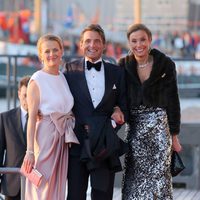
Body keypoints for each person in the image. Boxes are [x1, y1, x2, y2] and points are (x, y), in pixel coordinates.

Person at [118, 23, 182, 200]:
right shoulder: (123, 65)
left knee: (159, 180)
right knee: (134, 180)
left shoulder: (165, 64)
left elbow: (173, 101)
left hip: (160, 131)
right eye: (134, 41)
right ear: (129, 44)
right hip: (135, 130)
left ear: (150, 40)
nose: (139, 45)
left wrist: (174, 136)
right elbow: (117, 97)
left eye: (143, 40)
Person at [63, 24, 127, 200]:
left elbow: (124, 105)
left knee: (103, 196)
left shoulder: (117, 72)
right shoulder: (69, 70)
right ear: (81, 44)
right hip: (77, 143)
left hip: (105, 145)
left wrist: (113, 123)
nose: (92, 45)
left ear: (104, 44)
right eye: (88, 41)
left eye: (97, 41)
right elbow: (58, 100)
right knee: (75, 195)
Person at [22, 34, 79, 200]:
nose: (51, 54)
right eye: (47, 51)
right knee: (42, 186)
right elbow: (31, 118)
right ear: (40, 55)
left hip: (62, 136)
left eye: (55, 49)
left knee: (57, 186)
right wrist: (30, 151)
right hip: (45, 137)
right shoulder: (36, 80)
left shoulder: (62, 77)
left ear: (62, 51)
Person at [0, 76, 30, 200]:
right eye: (25, 95)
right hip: (11, 184)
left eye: (32, 95)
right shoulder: (5, 118)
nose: (28, 100)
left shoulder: (44, 120)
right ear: (19, 94)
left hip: (36, 185)